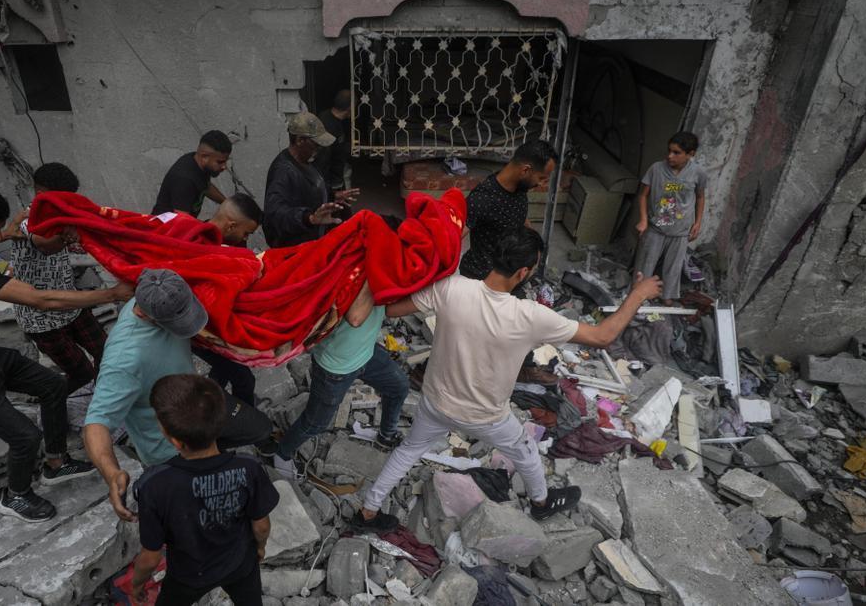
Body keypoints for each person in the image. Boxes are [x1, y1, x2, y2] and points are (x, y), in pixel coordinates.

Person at [352, 227, 663, 531]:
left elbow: (390, 310)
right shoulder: (529, 316)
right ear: (522, 272)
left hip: (436, 402)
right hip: (485, 416)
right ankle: (541, 504)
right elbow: (603, 336)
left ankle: (368, 511)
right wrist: (637, 295)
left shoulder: (451, 288)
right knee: (525, 450)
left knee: (408, 450)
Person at [0, 183, 134, 522]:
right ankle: (15, 495)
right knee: (24, 436)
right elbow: (40, 298)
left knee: (53, 386)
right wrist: (110, 295)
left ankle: (56, 462)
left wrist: (5, 233)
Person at [83, 269, 274, 522]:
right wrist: (111, 473)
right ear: (143, 314)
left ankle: (212, 454)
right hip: (170, 447)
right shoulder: (124, 360)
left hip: (201, 402)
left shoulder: (158, 291)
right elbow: (95, 424)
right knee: (195, 508)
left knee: (259, 428)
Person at [128, 373, 279, 606]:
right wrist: (260, 547)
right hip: (240, 564)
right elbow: (261, 525)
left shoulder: (155, 486)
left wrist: (137, 584)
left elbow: (150, 557)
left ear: (176, 441)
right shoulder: (249, 467)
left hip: (188, 577)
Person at [272, 282, 406, 479]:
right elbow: (355, 318)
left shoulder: (384, 269)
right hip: (335, 367)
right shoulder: (355, 272)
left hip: (366, 352)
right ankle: (282, 454)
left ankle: (386, 435)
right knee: (316, 423)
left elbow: (391, 309)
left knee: (398, 387)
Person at [150, 195, 264, 404]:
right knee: (244, 379)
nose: (246, 239)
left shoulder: (195, 236)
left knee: (226, 371)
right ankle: (243, 423)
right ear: (231, 226)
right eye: (246, 233)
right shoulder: (200, 250)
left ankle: (214, 399)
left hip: (205, 329)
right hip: (198, 330)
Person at [5, 163, 106, 394]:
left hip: (69, 303)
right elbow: (46, 245)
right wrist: (67, 235)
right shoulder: (28, 218)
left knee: (107, 351)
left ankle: (106, 397)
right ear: (43, 195)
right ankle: (51, 400)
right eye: (64, 199)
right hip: (41, 318)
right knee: (82, 373)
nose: (69, 204)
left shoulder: (63, 215)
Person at [459, 140, 557, 282]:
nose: (542, 184)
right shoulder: (483, 198)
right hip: (481, 281)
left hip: (509, 278)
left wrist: (534, 246)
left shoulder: (520, 186)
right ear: (525, 170)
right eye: (542, 178)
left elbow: (519, 216)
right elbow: (453, 238)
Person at [263, 111, 360, 248]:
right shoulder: (283, 171)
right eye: (315, 144)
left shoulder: (306, 161)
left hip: (313, 243)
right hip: (295, 249)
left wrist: (333, 195)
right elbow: (275, 214)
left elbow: (311, 189)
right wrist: (309, 218)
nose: (319, 148)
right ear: (300, 140)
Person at [635, 131, 707, 305]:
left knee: (673, 267)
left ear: (690, 154)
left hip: (681, 230)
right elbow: (643, 195)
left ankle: (667, 295)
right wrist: (643, 219)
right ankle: (637, 294)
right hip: (656, 227)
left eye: (676, 153)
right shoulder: (656, 169)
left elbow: (700, 197)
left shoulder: (698, 173)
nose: (670, 156)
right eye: (669, 151)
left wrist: (697, 222)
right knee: (646, 263)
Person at [151, 130, 233, 217]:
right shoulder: (184, 180)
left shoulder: (198, 162)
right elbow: (182, 222)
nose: (224, 167)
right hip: (165, 228)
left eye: (226, 161)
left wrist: (227, 204)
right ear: (204, 156)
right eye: (220, 162)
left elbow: (205, 186)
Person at [315, 89, 352, 192]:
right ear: (349, 108)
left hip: (337, 173)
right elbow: (322, 159)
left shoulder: (327, 116)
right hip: (331, 181)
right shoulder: (328, 126)